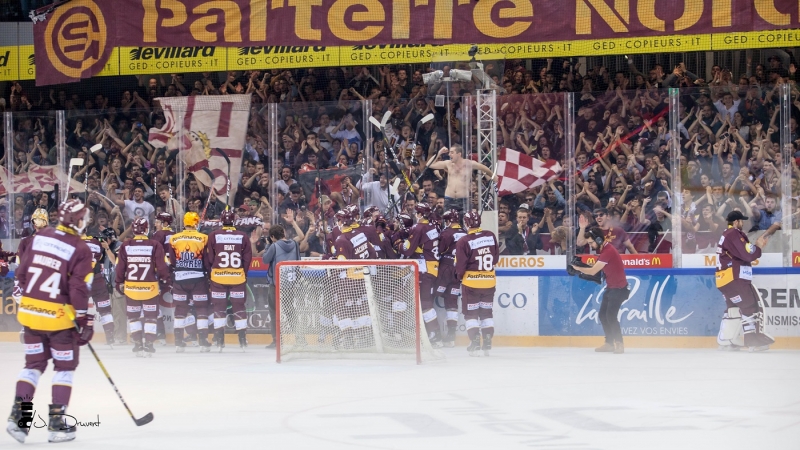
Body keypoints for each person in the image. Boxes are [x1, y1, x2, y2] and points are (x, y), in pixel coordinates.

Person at [7, 199, 94, 443]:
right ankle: (56, 425)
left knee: (32, 366)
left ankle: (19, 420)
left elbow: (22, 274)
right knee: (64, 368)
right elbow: (78, 288)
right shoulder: (80, 248)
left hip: (30, 314)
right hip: (59, 321)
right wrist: (83, 320)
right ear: (77, 220)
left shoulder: (41, 236)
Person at [715, 211, 774, 352]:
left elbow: (743, 251)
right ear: (736, 222)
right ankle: (753, 342)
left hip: (724, 280)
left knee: (733, 309)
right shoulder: (733, 233)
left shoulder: (727, 234)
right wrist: (758, 247)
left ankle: (727, 340)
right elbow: (747, 254)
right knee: (750, 307)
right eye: (742, 221)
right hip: (734, 278)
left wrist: (757, 247)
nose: (743, 223)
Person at [115, 217, 170, 357]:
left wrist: (118, 282)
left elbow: (119, 267)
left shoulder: (126, 245)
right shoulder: (154, 245)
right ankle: (149, 343)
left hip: (131, 288)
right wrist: (166, 279)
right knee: (151, 317)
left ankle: (138, 343)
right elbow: (162, 266)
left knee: (133, 317)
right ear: (146, 229)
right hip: (149, 288)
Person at [570, 227, 630, 354]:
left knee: (611, 316)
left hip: (619, 289)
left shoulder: (608, 251)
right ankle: (609, 343)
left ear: (598, 239)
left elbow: (593, 271)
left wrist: (578, 269)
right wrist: (581, 267)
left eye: (591, 242)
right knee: (603, 315)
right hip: (612, 288)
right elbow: (596, 271)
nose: (590, 245)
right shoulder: (604, 251)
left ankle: (619, 343)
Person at [205, 209, 253, 351]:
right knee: (239, 307)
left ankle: (220, 341)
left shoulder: (213, 235)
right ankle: (242, 341)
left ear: (221, 220)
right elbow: (247, 258)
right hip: (237, 278)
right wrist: (243, 273)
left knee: (218, 308)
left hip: (218, 278)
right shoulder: (243, 236)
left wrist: (213, 272)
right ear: (234, 220)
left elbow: (210, 258)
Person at [398, 203, 443, 347]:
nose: (415, 214)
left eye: (416, 212)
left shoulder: (418, 228)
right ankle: (430, 333)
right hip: (432, 268)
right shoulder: (432, 226)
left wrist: (398, 242)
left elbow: (407, 250)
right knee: (423, 302)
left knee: (424, 303)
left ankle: (435, 333)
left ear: (420, 214)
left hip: (424, 269)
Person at [454, 211, 498, 356]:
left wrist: (458, 277)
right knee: (486, 313)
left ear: (466, 223)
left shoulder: (463, 241)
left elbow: (460, 266)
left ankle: (475, 342)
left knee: (471, 315)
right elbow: (495, 259)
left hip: (471, 284)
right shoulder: (490, 235)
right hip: (489, 282)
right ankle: (487, 341)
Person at [333, 208, 378, 348]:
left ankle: (347, 339)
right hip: (364, 278)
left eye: (338, 220)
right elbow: (372, 253)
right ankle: (364, 337)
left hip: (350, 279)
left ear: (341, 221)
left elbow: (341, 265)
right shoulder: (360, 234)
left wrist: (331, 260)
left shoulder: (341, 239)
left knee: (342, 308)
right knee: (361, 306)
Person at [168, 212, 210, 352]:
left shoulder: (174, 238)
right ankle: (203, 342)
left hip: (180, 278)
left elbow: (172, 261)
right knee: (201, 308)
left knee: (180, 310)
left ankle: (178, 343)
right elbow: (206, 261)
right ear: (196, 223)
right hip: (198, 279)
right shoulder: (204, 238)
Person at [262, 224, 300, 349]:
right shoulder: (294, 244)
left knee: (274, 312)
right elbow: (298, 262)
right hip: (290, 284)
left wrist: (268, 245)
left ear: (272, 236)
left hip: (276, 285)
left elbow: (265, 260)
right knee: (290, 312)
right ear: (283, 233)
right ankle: (300, 338)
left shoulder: (274, 246)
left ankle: (277, 340)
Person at [427, 144, 496, 213]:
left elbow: (484, 168)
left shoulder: (469, 164)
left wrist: (493, 176)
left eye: (452, 152)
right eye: (449, 152)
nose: (449, 154)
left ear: (459, 154)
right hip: (449, 199)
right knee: (448, 219)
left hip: (463, 200)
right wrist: (439, 152)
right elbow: (429, 164)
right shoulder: (448, 163)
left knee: (465, 219)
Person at [435, 209, 467, 347]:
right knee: (452, 302)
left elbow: (439, 250)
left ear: (448, 220)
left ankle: (434, 335)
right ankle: (451, 337)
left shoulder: (446, 233)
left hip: (445, 268)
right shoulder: (465, 233)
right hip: (458, 270)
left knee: (429, 298)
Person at [82, 227, 118, 346]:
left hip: (81, 281)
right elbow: (102, 258)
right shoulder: (96, 242)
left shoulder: (72, 243)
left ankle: (79, 336)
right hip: (97, 280)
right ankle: (110, 337)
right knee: (105, 311)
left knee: (78, 310)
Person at [152, 212, 175, 345]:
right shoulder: (175, 235)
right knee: (182, 304)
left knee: (152, 304)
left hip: (160, 272)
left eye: (158, 221)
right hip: (174, 272)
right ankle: (191, 335)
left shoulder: (159, 234)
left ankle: (160, 334)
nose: (155, 224)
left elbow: (153, 253)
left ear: (165, 223)